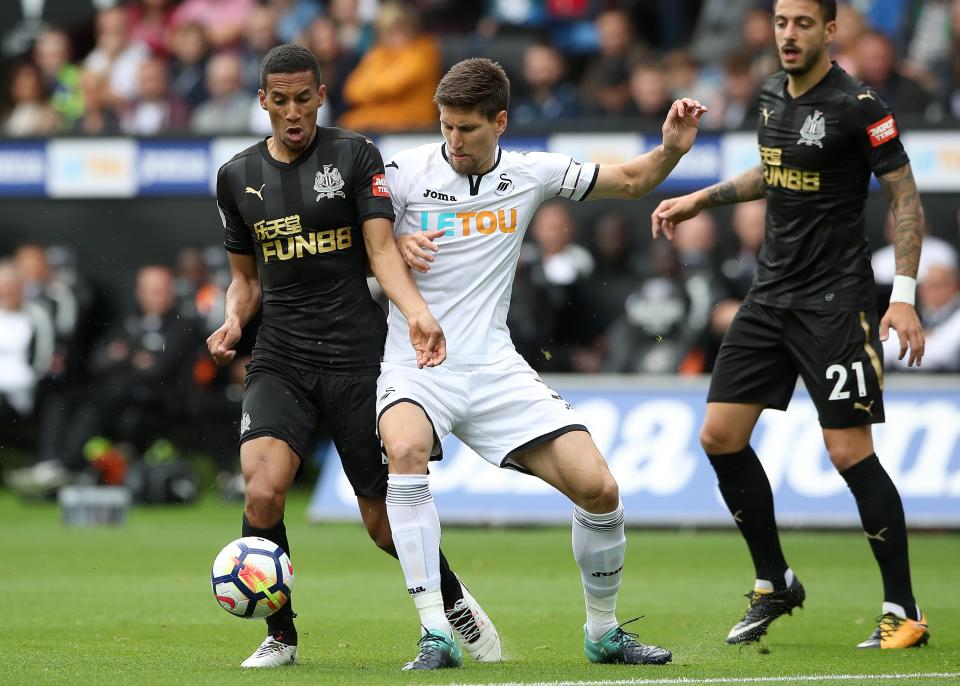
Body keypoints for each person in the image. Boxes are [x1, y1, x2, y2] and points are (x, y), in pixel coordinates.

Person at [378, 57, 705, 670]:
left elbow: (632, 181)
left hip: (494, 368)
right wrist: (393, 243)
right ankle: (434, 633)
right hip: (417, 364)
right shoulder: (404, 175)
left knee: (599, 487)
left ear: (499, 122)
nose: (454, 141)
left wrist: (671, 151)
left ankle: (603, 632)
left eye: (468, 129)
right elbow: (356, 241)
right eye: (445, 126)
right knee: (405, 452)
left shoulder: (530, 174)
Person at [207, 44, 499, 669]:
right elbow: (246, 280)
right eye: (279, 100)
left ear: (320, 96)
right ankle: (281, 635)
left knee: (384, 527)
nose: (292, 111)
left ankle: (453, 603)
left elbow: (381, 250)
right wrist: (234, 319)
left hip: (357, 358)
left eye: (303, 98)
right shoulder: (236, 177)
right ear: (262, 101)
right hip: (280, 356)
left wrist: (416, 311)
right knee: (262, 493)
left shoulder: (354, 155)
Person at [651, 0, 929, 650]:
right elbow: (772, 173)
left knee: (848, 452)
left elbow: (906, 198)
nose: (788, 34)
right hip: (769, 297)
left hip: (836, 303)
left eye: (803, 23)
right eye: (781, 22)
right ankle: (774, 580)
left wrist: (906, 295)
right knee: (719, 436)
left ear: (830, 30)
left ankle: (904, 610)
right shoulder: (772, 92)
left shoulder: (861, 105)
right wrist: (700, 198)